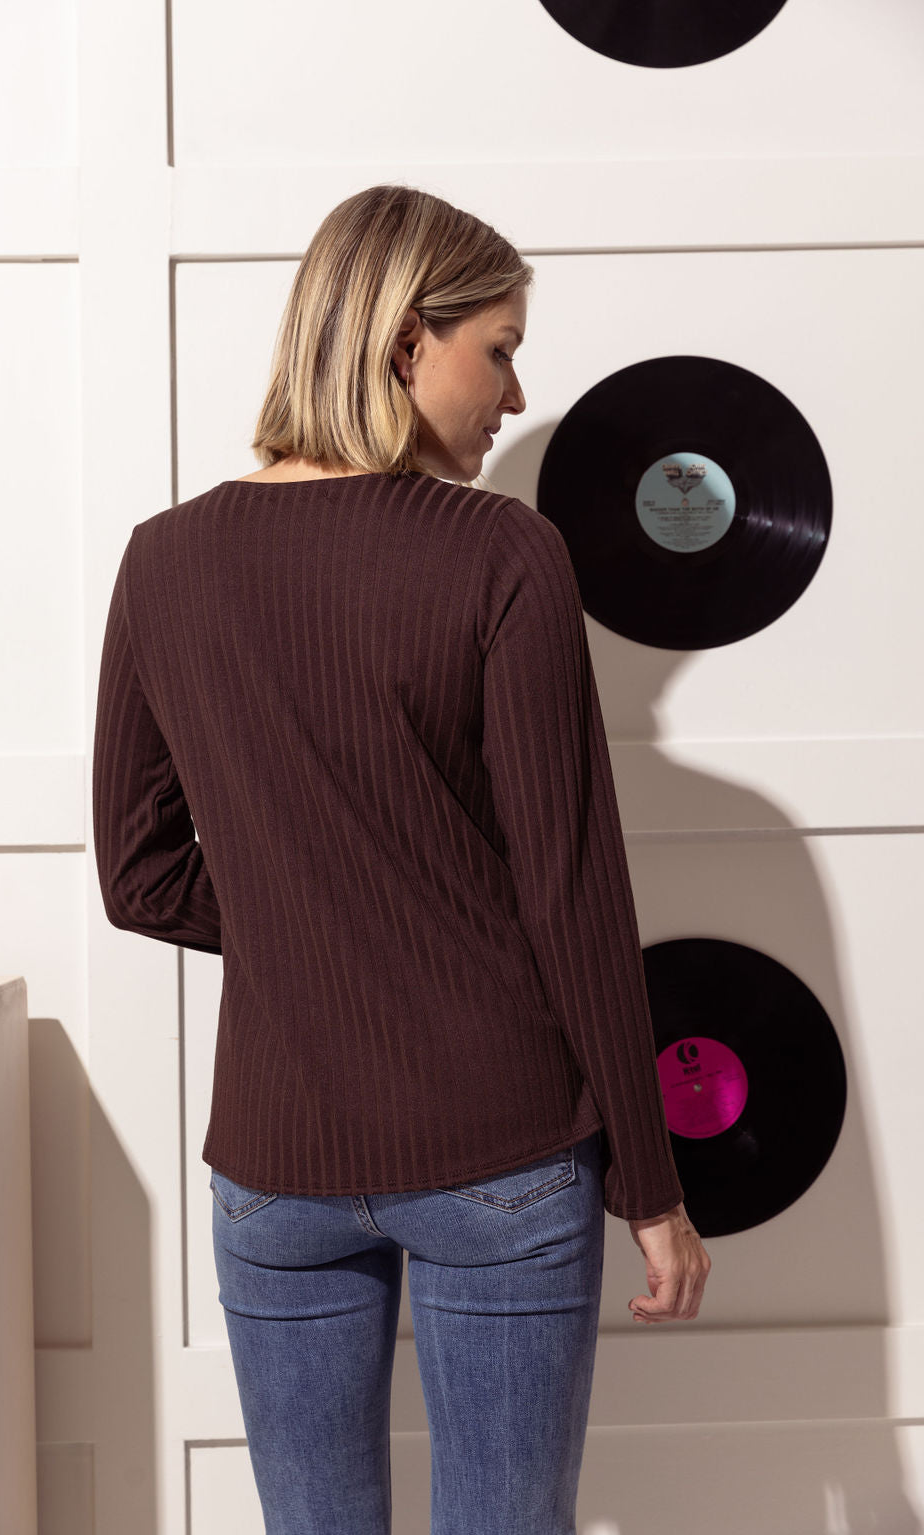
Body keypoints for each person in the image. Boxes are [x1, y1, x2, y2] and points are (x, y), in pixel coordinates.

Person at [92, 183, 711, 1535]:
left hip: (273, 1167)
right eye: (498, 346)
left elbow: (137, 877)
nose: (513, 389)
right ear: (400, 344)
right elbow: (574, 898)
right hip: (502, 1149)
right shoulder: (502, 558)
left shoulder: (163, 562)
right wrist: (653, 1190)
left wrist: (307, 922)